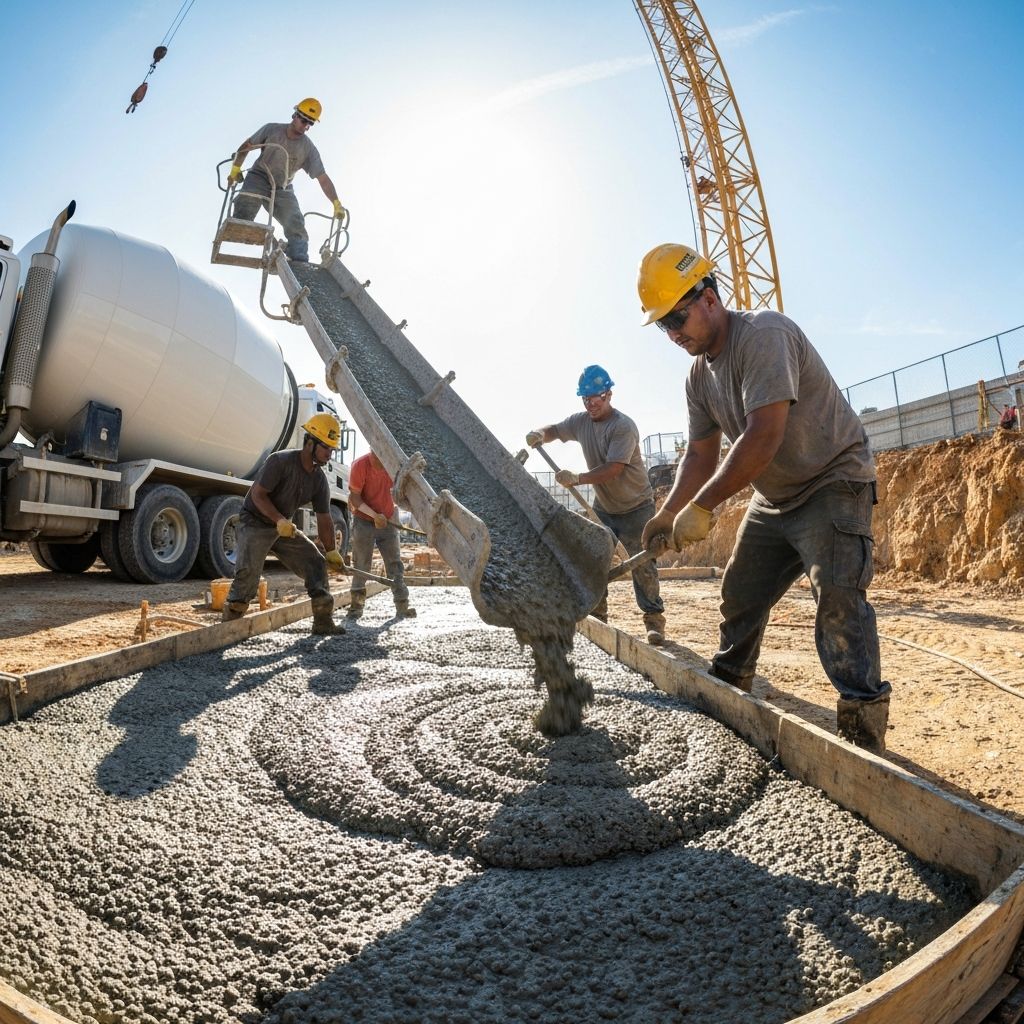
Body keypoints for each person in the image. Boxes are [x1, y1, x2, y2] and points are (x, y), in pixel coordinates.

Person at [636, 243, 892, 753]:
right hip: (775, 498)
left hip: (831, 480)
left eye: (677, 317)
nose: (673, 333)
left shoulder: (765, 335)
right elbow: (700, 456)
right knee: (740, 593)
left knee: (838, 601)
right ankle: (729, 689)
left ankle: (863, 726)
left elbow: (763, 435)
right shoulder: (697, 376)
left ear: (708, 296)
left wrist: (704, 507)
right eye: (663, 325)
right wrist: (667, 512)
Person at [526, 365, 667, 645]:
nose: (591, 403)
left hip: (636, 507)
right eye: (585, 398)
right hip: (604, 508)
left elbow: (614, 468)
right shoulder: (581, 422)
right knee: (595, 559)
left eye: (596, 397)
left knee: (642, 563)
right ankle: (598, 617)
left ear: (609, 394)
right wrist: (539, 434)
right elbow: (556, 429)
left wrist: (578, 478)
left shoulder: (623, 427)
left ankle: (654, 620)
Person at [222, 413, 345, 635]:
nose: (330, 454)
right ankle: (227, 628)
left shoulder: (318, 480)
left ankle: (323, 622)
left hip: (282, 527)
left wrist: (331, 551)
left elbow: (324, 517)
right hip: (255, 522)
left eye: (332, 449)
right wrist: (279, 520)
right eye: (326, 447)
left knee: (315, 562)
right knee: (248, 575)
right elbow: (258, 495)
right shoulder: (280, 461)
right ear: (310, 443)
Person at [227, 97, 345, 263]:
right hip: (259, 176)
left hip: (283, 187)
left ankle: (299, 258)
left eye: (310, 123)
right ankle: (241, 224)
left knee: (295, 221)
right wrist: (235, 170)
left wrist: (336, 203)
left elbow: (323, 179)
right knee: (248, 200)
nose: (305, 126)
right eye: (303, 120)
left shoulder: (308, 148)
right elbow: (246, 147)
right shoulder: (271, 130)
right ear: (294, 115)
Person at [346, 450, 416, 621]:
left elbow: (401, 494)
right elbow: (354, 498)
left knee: (395, 563)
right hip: (364, 520)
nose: (379, 457)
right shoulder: (360, 466)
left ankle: (402, 605)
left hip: (388, 518)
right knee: (361, 563)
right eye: (376, 453)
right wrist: (374, 516)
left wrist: (393, 516)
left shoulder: (393, 467)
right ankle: (356, 607)